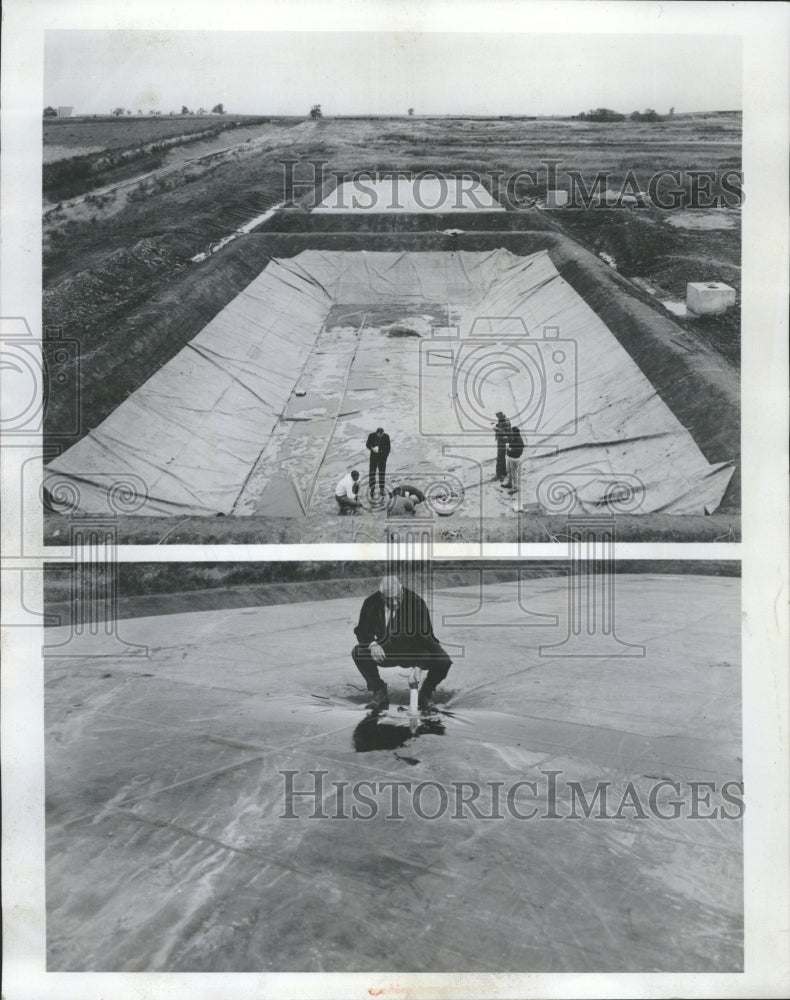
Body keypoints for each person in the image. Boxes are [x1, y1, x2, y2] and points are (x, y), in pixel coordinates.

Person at [351, 575, 452, 711]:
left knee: (443, 660)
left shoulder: (416, 602)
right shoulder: (371, 603)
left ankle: (426, 693)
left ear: (401, 591)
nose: (393, 603)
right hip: (386, 650)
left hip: (413, 650)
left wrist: (418, 665)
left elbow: (425, 637)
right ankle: (379, 691)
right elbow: (361, 631)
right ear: (381, 596)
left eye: (397, 598)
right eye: (388, 599)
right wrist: (373, 645)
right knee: (358, 652)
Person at [500, 423, 525, 495]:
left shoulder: (519, 440)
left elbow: (519, 450)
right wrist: (506, 438)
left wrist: (510, 449)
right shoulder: (514, 436)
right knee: (510, 471)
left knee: (514, 473)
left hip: (515, 458)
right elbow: (509, 438)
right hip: (511, 457)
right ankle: (509, 483)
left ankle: (515, 488)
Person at [365, 427, 391, 496]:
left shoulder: (386, 436)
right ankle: (372, 490)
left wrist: (385, 457)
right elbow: (367, 444)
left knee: (382, 474)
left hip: (382, 458)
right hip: (373, 458)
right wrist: (372, 448)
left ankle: (382, 490)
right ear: (377, 433)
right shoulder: (371, 435)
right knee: (372, 474)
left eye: (382, 434)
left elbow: (388, 448)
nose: (380, 436)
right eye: (379, 435)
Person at [494, 412, 510, 482]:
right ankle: (503, 472)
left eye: (498, 417)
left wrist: (497, 429)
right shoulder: (504, 420)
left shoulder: (505, 422)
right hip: (502, 441)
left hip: (502, 441)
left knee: (499, 458)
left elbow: (506, 432)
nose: (498, 418)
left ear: (501, 416)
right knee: (502, 457)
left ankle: (499, 475)